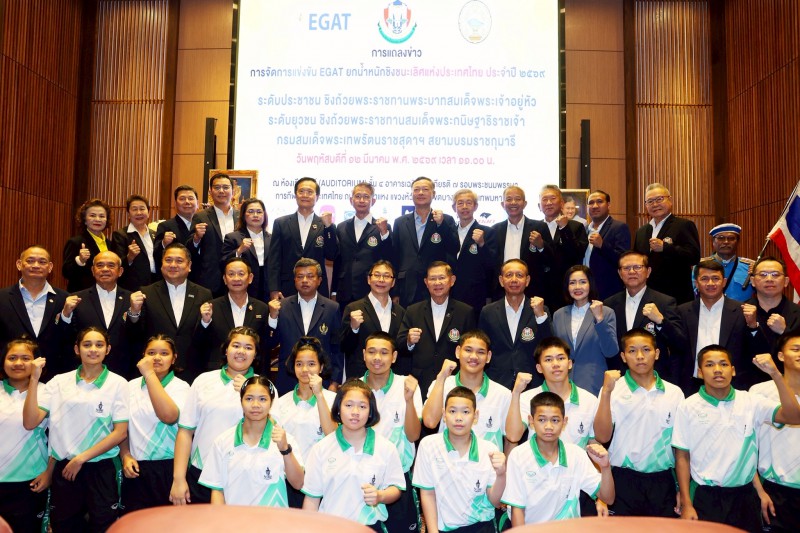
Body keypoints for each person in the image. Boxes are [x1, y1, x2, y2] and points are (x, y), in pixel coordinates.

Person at [673, 345, 800, 530]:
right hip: (706, 497)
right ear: (700, 372)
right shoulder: (688, 406)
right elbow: (682, 457)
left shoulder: (751, 401)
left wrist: (776, 374)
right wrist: (687, 503)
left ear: (732, 370)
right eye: (710, 365)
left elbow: (794, 416)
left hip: (745, 497)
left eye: (723, 364)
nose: (718, 370)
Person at [23, 327, 129, 532]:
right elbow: (30, 422)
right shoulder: (58, 382)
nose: (93, 349)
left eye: (99, 345)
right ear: (76, 349)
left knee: (104, 526)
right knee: (64, 526)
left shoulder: (118, 383)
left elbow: (120, 433)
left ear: (108, 349)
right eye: (87, 345)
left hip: (101, 468)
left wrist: (81, 459)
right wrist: (34, 379)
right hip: (65, 469)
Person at [593, 328, 684, 517]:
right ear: (623, 357)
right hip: (623, 479)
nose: (640, 356)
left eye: (646, 350)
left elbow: (680, 447)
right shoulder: (612, 390)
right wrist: (606, 392)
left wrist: (681, 489)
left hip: (663, 480)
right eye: (632, 351)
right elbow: (601, 437)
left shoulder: (674, 393)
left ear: (656, 353)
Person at [169, 326, 260, 506]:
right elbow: (185, 431)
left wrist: (249, 392)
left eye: (248, 347)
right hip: (200, 474)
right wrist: (178, 479)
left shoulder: (264, 387)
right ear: (226, 350)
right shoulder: (203, 380)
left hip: (245, 478)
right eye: (236, 346)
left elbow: (269, 432)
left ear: (255, 354)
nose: (241, 352)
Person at [302, 379, 405, 531]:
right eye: (348, 405)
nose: (355, 412)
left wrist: (380, 496)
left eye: (362, 406)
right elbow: (312, 499)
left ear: (370, 411)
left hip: (369, 527)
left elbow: (396, 488)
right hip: (330, 527)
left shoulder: (386, 448)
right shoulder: (321, 448)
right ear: (338, 408)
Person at [502, 392, 615, 525]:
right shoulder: (518, 455)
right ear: (531, 421)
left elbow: (608, 498)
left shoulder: (576, 455)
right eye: (542, 420)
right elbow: (517, 509)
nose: (548, 426)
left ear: (564, 422)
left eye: (555, 420)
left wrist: (605, 467)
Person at [199, 375, 304, 506]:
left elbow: (298, 484)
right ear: (241, 401)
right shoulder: (223, 441)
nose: (255, 405)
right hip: (234, 518)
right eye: (249, 398)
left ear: (271, 403)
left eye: (262, 399)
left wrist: (285, 450)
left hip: (273, 518)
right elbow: (217, 490)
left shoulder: (285, 440)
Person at [413, 386, 507, 533]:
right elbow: (427, 493)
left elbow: (495, 502)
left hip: (481, 527)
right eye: (452, 411)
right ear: (444, 415)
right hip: (443, 529)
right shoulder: (428, 445)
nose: (458, 417)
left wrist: (501, 475)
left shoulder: (489, 449)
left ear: (475, 416)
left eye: (465, 412)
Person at [119, 335, 190, 513]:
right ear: (143, 355)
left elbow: (169, 417)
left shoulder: (181, 387)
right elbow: (121, 427)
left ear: (174, 358)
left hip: (170, 467)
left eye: (164, 353)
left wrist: (150, 374)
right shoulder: (130, 386)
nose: (157, 358)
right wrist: (125, 455)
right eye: (151, 353)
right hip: (136, 468)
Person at [361, 332, 422, 532]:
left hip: (399, 478)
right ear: (363, 355)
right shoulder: (354, 388)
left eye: (384, 352)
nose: (377, 358)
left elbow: (413, 436)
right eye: (372, 352)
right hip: (363, 478)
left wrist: (408, 400)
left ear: (394, 357)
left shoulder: (408, 385)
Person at [128, 243, 213, 382]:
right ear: (161, 264)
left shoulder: (203, 294)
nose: (173, 265)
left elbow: (206, 338)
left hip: (191, 370)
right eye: (168, 260)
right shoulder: (146, 292)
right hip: (154, 371)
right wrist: (134, 312)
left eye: (179, 261)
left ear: (189, 265)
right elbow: (134, 335)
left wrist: (205, 322)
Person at [271, 336, 337, 509]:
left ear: (321, 367)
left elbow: (332, 435)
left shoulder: (334, 400)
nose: (305, 369)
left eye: (311, 364)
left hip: (323, 480)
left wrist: (319, 395)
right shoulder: (281, 403)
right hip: (289, 480)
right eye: (299, 364)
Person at [397, 261, 476, 399]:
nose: (437, 283)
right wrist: (409, 341)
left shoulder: (465, 312)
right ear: (426, 282)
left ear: (452, 280)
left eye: (442, 278)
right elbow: (399, 345)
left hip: (453, 380)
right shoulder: (413, 310)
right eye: (432, 279)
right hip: (420, 381)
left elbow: (471, 347)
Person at [422, 330, 511, 451]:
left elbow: (511, 440)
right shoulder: (441, 384)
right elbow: (430, 422)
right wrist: (441, 378)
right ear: (458, 352)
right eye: (468, 350)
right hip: (447, 461)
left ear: (488, 357)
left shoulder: (502, 394)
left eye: (480, 352)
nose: (474, 356)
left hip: (487, 462)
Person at [675, 259, 753, 394]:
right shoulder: (682, 311)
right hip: (691, 386)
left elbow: (752, 348)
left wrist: (754, 326)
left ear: (724, 282)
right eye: (704, 279)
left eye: (715, 278)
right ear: (696, 283)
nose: (710, 283)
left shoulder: (742, 311)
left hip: (733, 385)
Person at [506, 337, 599, 449]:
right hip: (537, 460)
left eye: (561, 358)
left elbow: (595, 443)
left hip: (576, 460)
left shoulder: (589, 400)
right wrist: (516, 393)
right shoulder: (527, 398)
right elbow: (513, 436)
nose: (555, 364)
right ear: (539, 368)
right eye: (548, 360)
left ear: (569, 363)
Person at [604, 251, 684, 380]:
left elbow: (680, 343)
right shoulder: (609, 304)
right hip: (620, 377)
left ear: (648, 272)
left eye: (637, 267)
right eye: (626, 268)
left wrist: (661, 322)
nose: (632, 272)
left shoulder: (664, 302)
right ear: (619, 273)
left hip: (655, 377)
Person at [0, 338, 53, 533]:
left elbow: (31, 424)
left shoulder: (47, 391)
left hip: (31, 479)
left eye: (25, 358)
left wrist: (49, 472)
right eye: (12, 358)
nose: (18, 363)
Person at [750, 331, 800, 533]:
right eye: (796, 349)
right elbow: (747, 446)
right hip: (775, 490)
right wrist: (758, 489)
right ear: (780, 356)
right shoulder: (759, 392)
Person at [268, 258, 342, 393]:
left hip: (322, 381)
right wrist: (272, 317)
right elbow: (270, 343)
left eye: (310, 276)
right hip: (287, 380)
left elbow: (337, 349)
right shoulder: (282, 306)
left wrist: (335, 382)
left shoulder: (332, 308)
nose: (305, 280)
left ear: (319, 280)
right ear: (294, 280)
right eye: (300, 276)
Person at [478, 259, 551, 390]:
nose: (514, 280)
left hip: (532, 382)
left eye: (519, 275)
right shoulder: (488, 311)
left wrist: (540, 316)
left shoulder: (540, 309)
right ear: (501, 280)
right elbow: (482, 347)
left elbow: (549, 346)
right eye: (509, 275)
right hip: (497, 382)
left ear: (527, 280)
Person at [60, 251, 135, 378]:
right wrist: (65, 315)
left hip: (124, 370)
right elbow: (65, 337)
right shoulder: (76, 299)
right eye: (100, 265)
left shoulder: (132, 299)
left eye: (111, 265)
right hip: (85, 371)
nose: (105, 269)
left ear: (120, 271)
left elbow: (137, 335)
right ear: (93, 270)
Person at [0, 246, 70, 376]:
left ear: (50, 267)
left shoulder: (64, 299)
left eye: (42, 262)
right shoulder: (2, 298)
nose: (36, 265)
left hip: (54, 375)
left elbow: (68, 338)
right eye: (30, 261)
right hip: (11, 375)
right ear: (19, 264)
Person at [392, 177, 459, 307]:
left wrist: (442, 225)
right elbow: (395, 257)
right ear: (412, 194)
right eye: (416, 190)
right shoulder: (400, 222)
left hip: (436, 285)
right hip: (407, 286)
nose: (421, 193)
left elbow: (454, 248)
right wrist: (394, 291)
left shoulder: (446, 220)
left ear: (433, 194)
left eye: (425, 189)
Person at [552, 265, 618, 395]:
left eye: (582, 282)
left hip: (593, 383)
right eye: (572, 283)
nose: (577, 287)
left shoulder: (606, 312)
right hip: (562, 383)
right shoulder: (558, 315)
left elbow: (611, 351)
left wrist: (600, 320)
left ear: (590, 285)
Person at [268, 177, 337, 300]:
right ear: (295, 195)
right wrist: (274, 289)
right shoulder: (281, 223)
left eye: (310, 192)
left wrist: (329, 227)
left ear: (317, 197)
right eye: (301, 191)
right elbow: (274, 260)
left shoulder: (325, 224)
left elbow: (331, 255)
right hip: (287, 287)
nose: (305, 195)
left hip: (317, 287)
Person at [633, 183, 701, 304]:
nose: (655, 204)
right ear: (646, 206)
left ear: (670, 200)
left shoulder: (683, 225)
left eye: (659, 199)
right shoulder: (641, 232)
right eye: (650, 201)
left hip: (676, 296)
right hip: (647, 296)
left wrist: (666, 247)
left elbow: (694, 257)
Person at [340, 260, 406, 378]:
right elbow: (344, 346)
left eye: (386, 276)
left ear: (393, 282)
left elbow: (401, 349)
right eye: (377, 275)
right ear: (369, 279)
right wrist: (353, 328)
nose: (381, 280)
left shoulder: (401, 312)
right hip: (360, 377)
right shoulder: (353, 308)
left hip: (391, 378)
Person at [332, 182, 392, 307]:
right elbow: (338, 262)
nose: (361, 200)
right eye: (358, 196)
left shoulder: (383, 227)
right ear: (351, 200)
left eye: (366, 197)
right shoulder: (341, 227)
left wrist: (384, 233)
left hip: (371, 289)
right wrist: (334, 291)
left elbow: (389, 257)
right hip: (345, 290)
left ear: (373, 201)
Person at [204, 258, 270, 373]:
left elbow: (266, 344)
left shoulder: (262, 308)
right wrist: (205, 322)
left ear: (250, 278)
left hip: (253, 372)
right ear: (225, 279)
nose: (236, 278)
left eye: (241, 274)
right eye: (231, 274)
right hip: (218, 371)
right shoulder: (211, 307)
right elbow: (199, 342)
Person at [530, 185, 588, 311]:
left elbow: (577, 255)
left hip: (565, 289)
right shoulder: (533, 228)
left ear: (561, 203)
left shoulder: (575, 226)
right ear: (539, 206)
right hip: (539, 290)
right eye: (544, 199)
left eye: (552, 198)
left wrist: (564, 228)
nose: (549, 203)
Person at [490, 185, 549, 301]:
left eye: (517, 199)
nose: (513, 202)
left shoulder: (539, 227)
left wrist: (541, 245)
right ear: (502, 204)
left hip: (532, 290)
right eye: (509, 199)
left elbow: (550, 260)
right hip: (501, 291)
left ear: (525, 203)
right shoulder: (495, 230)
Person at [189, 173, 240, 297]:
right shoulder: (200, 216)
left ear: (233, 192)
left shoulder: (241, 217)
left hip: (238, 277)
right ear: (210, 192)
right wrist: (196, 238)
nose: (221, 191)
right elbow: (189, 248)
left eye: (226, 187)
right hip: (210, 279)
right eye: (217, 187)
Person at [742, 256, 800, 365]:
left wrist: (785, 331)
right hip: (749, 375)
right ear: (752, 281)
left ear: (786, 281)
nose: (769, 279)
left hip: (787, 374)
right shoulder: (739, 311)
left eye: (775, 275)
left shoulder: (798, 313)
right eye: (763, 275)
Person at [450, 188, 498, 315]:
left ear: (475, 206)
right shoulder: (449, 231)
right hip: (449, 293)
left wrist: (482, 244)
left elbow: (492, 265)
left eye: (469, 203)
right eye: (460, 203)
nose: (464, 207)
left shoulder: (488, 232)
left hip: (475, 295)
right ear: (454, 207)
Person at [62, 198, 125, 293]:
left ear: (107, 220)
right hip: (83, 294)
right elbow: (66, 272)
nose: (97, 219)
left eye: (102, 216)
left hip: (107, 293)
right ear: (84, 220)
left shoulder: (110, 244)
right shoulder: (76, 242)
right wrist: (80, 261)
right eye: (92, 215)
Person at [220, 198, 272, 302]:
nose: (255, 215)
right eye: (251, 211)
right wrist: (239, 251)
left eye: (259, 212)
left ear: (264, 215)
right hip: (243, 288)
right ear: (243, 215)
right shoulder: (233, 237)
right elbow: (223, 262)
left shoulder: (272, 238)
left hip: (267, 290)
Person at [583, 190, 631, 300]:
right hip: (585, 289)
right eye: (591, 203)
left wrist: (602, 245)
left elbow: (624, 260)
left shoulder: (619, 227)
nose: (595, 206)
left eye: (599, 202)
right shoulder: (584, 229)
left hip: (608, 291)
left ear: (608, 205)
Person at [693, 223, 754, 302]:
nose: (726, 242)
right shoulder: (700, 266)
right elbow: (694, 293)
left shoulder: (750, 267)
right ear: (713, 242)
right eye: (721, 238)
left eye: (731, 238)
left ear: (738, 242)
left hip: (742, 309)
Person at [114, 194, 158, 292]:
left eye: (142, 209)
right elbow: (116, 265)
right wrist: (129, 257)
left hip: (155, 284)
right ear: (129, 214)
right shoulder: (121, 235)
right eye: (134, 209)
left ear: (148, 212)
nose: (139, 213)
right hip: (133, 287)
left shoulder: (155, 234)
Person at [154, 185, 199, 268]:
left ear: (197, 203)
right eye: (182, 199)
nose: (187, 202)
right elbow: (156, 254)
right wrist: (164, 243)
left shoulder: (203, 225)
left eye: (191, 198)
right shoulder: (165, 226)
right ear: (175, 204)